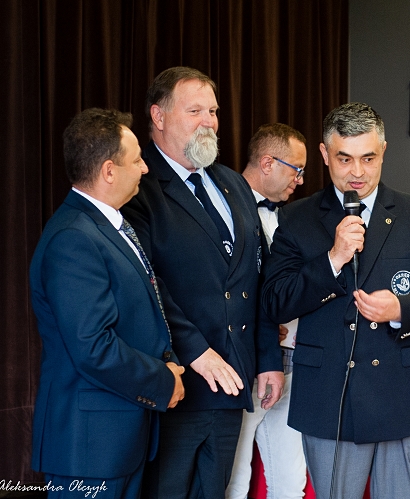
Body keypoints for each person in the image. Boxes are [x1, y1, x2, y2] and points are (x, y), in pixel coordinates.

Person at [261, 102, 410, 499]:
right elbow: (276, 301)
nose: (357, 172)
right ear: (324, 154)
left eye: (368, 158)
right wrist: (332, 260)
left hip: (400, 393)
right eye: (344, 158)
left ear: (383, 151)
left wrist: (399, 309)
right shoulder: (297, 218)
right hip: (329, 395)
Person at [121, 67, 284, 498]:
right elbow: (145, 284)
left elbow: (257, 278)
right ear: (158, 116)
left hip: (233, 385)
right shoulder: (138, 187)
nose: (209, 121)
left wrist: (268, 357)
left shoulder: (232, 183)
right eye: (195, 111)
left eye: (212, 111)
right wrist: (196, 351)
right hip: (176, 385)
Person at [29, 108, 186, 498]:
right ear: (109, 171)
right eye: (137, 160)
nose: (145, 169)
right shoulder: (74, 238)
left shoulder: (107, 224)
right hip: (90, 447)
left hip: (116, 440)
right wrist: (163, 380)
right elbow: (93, 347)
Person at [226, 123, 308, 499]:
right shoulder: (223, 208)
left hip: (292, 360)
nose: (300, 180)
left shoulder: (291, 217)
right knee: (234, 479)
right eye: (296, 169)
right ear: (267, 162)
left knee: (290, 482)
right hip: (245, 364)